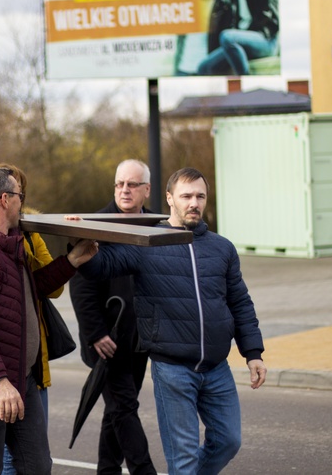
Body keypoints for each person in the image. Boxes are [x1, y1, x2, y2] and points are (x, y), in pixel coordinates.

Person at [78, 167, 267, 475]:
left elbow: (240, 302)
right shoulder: (147, 243)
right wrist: (80, 245)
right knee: (184, 459)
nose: (194, 203)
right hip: (173, 370)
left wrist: (253, 353)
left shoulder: (222, 248)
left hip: (217, 368)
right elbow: (99, 267)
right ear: (169, 198)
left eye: (200, 196)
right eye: (186, 196)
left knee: (229, 441)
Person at [0, 167, 98, 475]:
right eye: (20, 196)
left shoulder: (8, 243)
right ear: (5, 199)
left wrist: (72, 260)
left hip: (19, 379)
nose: (23, 203)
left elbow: (28, 290)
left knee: (36, 467)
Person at [69, 159, 157, 474]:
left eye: (132, 185)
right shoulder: (95, 225)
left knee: (117, 411)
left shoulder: (157, 225)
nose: (124, 190)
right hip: (106, 341)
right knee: (124, 408)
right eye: (120, 184)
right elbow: (80, 288)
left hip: (140, 339)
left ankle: (107, 468)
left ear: (146, 189)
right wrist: (95, 333)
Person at [197, 0, 279, 76]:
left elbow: (267, 11)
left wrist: (245, 33)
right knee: (204, 67)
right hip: (243, 41)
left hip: (265, 39)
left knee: (227, 37)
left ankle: (246, 81)